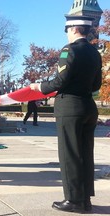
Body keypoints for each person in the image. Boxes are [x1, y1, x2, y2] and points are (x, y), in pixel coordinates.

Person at [30, 15, 102, 213]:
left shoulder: (69, 50)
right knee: (85, 154)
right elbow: (96, 85)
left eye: (67, 30)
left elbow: (59, 82)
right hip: (88, 106)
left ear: (73, 30)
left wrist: (39, 86)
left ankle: (73, 200)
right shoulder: (95, 53)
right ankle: (85, 198)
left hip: (70, 108)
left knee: (69, 155)